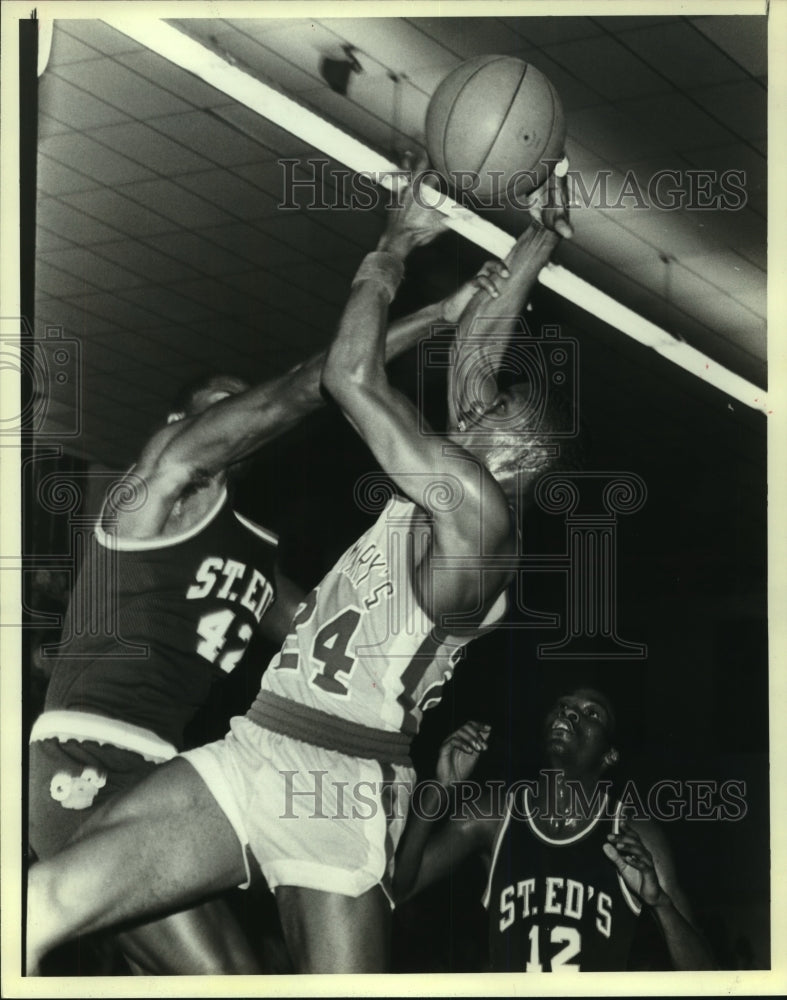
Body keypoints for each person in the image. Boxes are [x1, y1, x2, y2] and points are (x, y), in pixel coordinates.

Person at [26, 156, 573, 974]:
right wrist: (541, 240)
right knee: (44, 904)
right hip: (258, 742)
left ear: (508, 451)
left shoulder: (473, 510)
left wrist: (389, 251)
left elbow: (346, 380)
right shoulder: (467, 476)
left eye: (482, 410)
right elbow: (477, 348)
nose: (467, 400)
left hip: (345, 781)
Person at [392, 689, 715, 971]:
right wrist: (441, 788)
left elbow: (706, 975)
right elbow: (401, 888)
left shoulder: (634, 833)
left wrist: (660, 904)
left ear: (609, 754)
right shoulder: (495, 816)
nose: (569, 712)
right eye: (563, 706)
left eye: (592, 713)